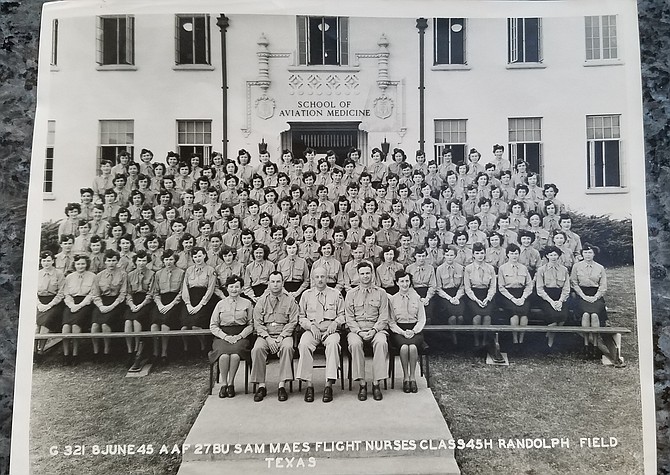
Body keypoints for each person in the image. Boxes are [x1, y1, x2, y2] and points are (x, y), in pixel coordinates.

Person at [296, 267, 346, 403]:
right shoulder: (306, 295)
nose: (320, 279)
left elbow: (342, 314)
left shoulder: (336, 294)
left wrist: (335, 323)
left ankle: (328, 385)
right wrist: (310, 326)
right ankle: (309, 385)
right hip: (312, 330)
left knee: (334, 344)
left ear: (327, 277)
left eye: (322, 277)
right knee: (304, 344)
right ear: (313, 278)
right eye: (317, 277)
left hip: (330, 330)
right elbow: (300, 316)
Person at [345, 261, 390, 402]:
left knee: (382, 343)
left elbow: (384, 316)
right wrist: (359, 332)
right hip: (357, 330)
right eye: (362, 273)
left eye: (368, 273)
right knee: (354, 344)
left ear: (372, 274)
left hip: (377, 329)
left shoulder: (381, 293)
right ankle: (362, 384)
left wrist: (374, 330)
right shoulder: (351, 294)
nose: (365, 276)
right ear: (358, 275)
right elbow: (349, 317)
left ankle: (376, 383)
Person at [251, 271, 299, 402]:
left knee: (287, 348)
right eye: (273, 281)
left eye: (278, 281)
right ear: (268, 283)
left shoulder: (290, 300)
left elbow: (293, 321)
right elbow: (257, 323)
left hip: (284, 333)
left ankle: (282, 385)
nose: (275, 284)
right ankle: (261, 385)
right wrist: (268, 338)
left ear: (283, 283)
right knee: (257, 349)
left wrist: (281, 337)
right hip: (266, 334)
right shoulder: (261, 301)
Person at [209, 275, 254, 399]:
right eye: (231, 287)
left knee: (235, 355)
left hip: (241, 334)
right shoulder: (220, 304)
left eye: (237, 287)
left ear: (241, 289)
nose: (234, 289)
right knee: (223, 355)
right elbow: (213, 325)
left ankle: (231, 384)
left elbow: (251, 324)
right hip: (222, 336)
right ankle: (223, 384)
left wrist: (240, 336)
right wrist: (225, 337)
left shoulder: (247, 303)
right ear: (227, 288)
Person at [388, 270, 426, 393]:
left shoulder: (417, 298)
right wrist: (402, 332)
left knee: (413, 347)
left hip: (415, 330)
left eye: (407, 281)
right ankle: (405, 378)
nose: (405, 284)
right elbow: (391, 322)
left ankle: (412, 378)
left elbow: (421, 319)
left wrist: (414, 331)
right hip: (399, 331)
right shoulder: (392, 300)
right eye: (402, 281)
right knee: (404, 347)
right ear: (397, 283)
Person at [571, 244, 610, 359]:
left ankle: (595, 346)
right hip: (581, 295)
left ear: (594, 254)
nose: (588, 255)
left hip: (596, 295)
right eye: (585, 253)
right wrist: (583, 296)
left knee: (594, 315)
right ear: (582, 254)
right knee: (586, 315)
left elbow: (603, 286)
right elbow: (574, 283)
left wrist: (596, 297)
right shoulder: (576, 266)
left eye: (590, 253)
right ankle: (586, 345)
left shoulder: (600, 268)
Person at [180, 246, 218, 355]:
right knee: (184, 327)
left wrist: (200, 305)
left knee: (196, 325)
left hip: (205, 300)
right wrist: (188, 304)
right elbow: (185, 288)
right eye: (195, 256)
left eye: (200, 256)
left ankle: (203, 346)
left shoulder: (211, 270)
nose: (198, 258)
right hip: (190, 300)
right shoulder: (189, 270)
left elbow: (210, 289)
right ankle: (186, 349)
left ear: (205, 255)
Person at [90, 249, 128, 357]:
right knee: (95, 326)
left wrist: (112, 305)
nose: (111, 263)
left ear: (117, 261)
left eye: (114, 260)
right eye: (109, 260)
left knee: (105, 324)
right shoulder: (99, 276)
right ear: (105, 261)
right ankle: (96, 351)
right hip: (102, 302)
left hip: (117, 303)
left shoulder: (123, 274)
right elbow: (95, 294)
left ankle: (107, 350)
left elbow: (123, 293)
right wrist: (101, 306)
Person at [150, 249, 185, 362]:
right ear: (163, 260)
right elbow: (155, 292)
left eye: (171, 259)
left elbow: (181, 292)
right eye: (166, 259)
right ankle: (155, 352)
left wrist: (171, 304)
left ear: (175, 260)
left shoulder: (181, 272)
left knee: (165, 324)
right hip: (161, 301)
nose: (169, 262)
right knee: (154, 325)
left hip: (175, 302)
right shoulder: (158, 274)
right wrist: (159, 304)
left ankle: (164, 353)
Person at [123, 250, 155, 364]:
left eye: (144, 261)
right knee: (128, 322)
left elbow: (150, 294)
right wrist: (131, 305)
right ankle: (129, 351)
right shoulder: (130, 275)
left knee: (136, 320)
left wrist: (141, 305)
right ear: (135, 261)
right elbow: (128, 293)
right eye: (139, 260)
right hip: (133, 302)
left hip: (145, 302)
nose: (141, 263)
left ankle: (138, 350)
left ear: (147, 262)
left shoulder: (152, 274)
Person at [497, 244, 533, 346]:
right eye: (512, 253)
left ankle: (521, 340)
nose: (514, 256)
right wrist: (512, 298)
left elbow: (529, 285)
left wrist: (523, 297)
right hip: (508, 295)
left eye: (516, 253)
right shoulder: (502, 268)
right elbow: (501, 287)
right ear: (507, 254)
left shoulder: (523, 268)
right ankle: (514, 340)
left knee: (524, 314)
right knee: (515, 314)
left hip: (522, 294)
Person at [463, 242, 497, 351]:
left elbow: (492, 287)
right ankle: (476, 342)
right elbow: (467, 288)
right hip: (473, 296)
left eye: (482, 253)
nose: (480, 255)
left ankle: (485, 342)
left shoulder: (490, 268)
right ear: (473, 254)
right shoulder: (468, 269)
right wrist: (476, 300)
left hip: (487, 295)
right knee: (477, 316)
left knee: (487, 317)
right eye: (477, 253)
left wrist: (488, 298)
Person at [535, 246, 571, 348]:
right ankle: (550, 342)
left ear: (558, 256)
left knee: (563, 317)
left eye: (555, 255)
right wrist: (551, 302)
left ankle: (550, 336)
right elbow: (540, 289)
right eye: (551, 255)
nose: (553, 257)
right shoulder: (542, 270)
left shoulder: (564, 270)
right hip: (546, 297)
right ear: (547, 256)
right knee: (554, 318)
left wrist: (560, 301)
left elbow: (566, 288)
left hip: (560, 296)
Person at [434, 247, 466, 345]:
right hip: (445, 296)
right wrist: (449, 298)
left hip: (457, 295)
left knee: (460, 317)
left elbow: (462, 286)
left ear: (455, 256)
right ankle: (453, 337)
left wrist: (457, 297)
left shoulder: (461, 268)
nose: (449, 257)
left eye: (452, 255)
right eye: (447, 255)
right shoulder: (439, 269)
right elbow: (438, 288)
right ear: (444, 255)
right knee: (452, 317)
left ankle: (458, 334)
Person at [35, 251, 65, 357]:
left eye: (48, 261)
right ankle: (33, 350)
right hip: (39, 302)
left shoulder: (59, 274)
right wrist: (38, 304)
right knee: (35, 324)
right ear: (41, 262)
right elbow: (32, 292)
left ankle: (41, 350)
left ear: (53, 261)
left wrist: (50, 305)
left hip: (54, 303)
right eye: (44, 261)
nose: (46, 263)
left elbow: (61, 293)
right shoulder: (37, 274)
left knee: (46, 322)